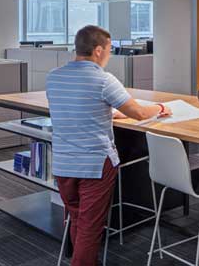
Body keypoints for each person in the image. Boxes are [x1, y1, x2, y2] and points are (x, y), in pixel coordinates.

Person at [46, 25, 172, 266]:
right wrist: (161, 108)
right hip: (94, 164)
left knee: (77, 218)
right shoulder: (103, 79)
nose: (110, 55)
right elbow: (139, 112)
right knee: (90, 230)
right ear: (98, 50)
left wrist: (108, 113)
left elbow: (75, 108)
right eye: (109, 50)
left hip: (63, 164)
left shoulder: (54, 76)